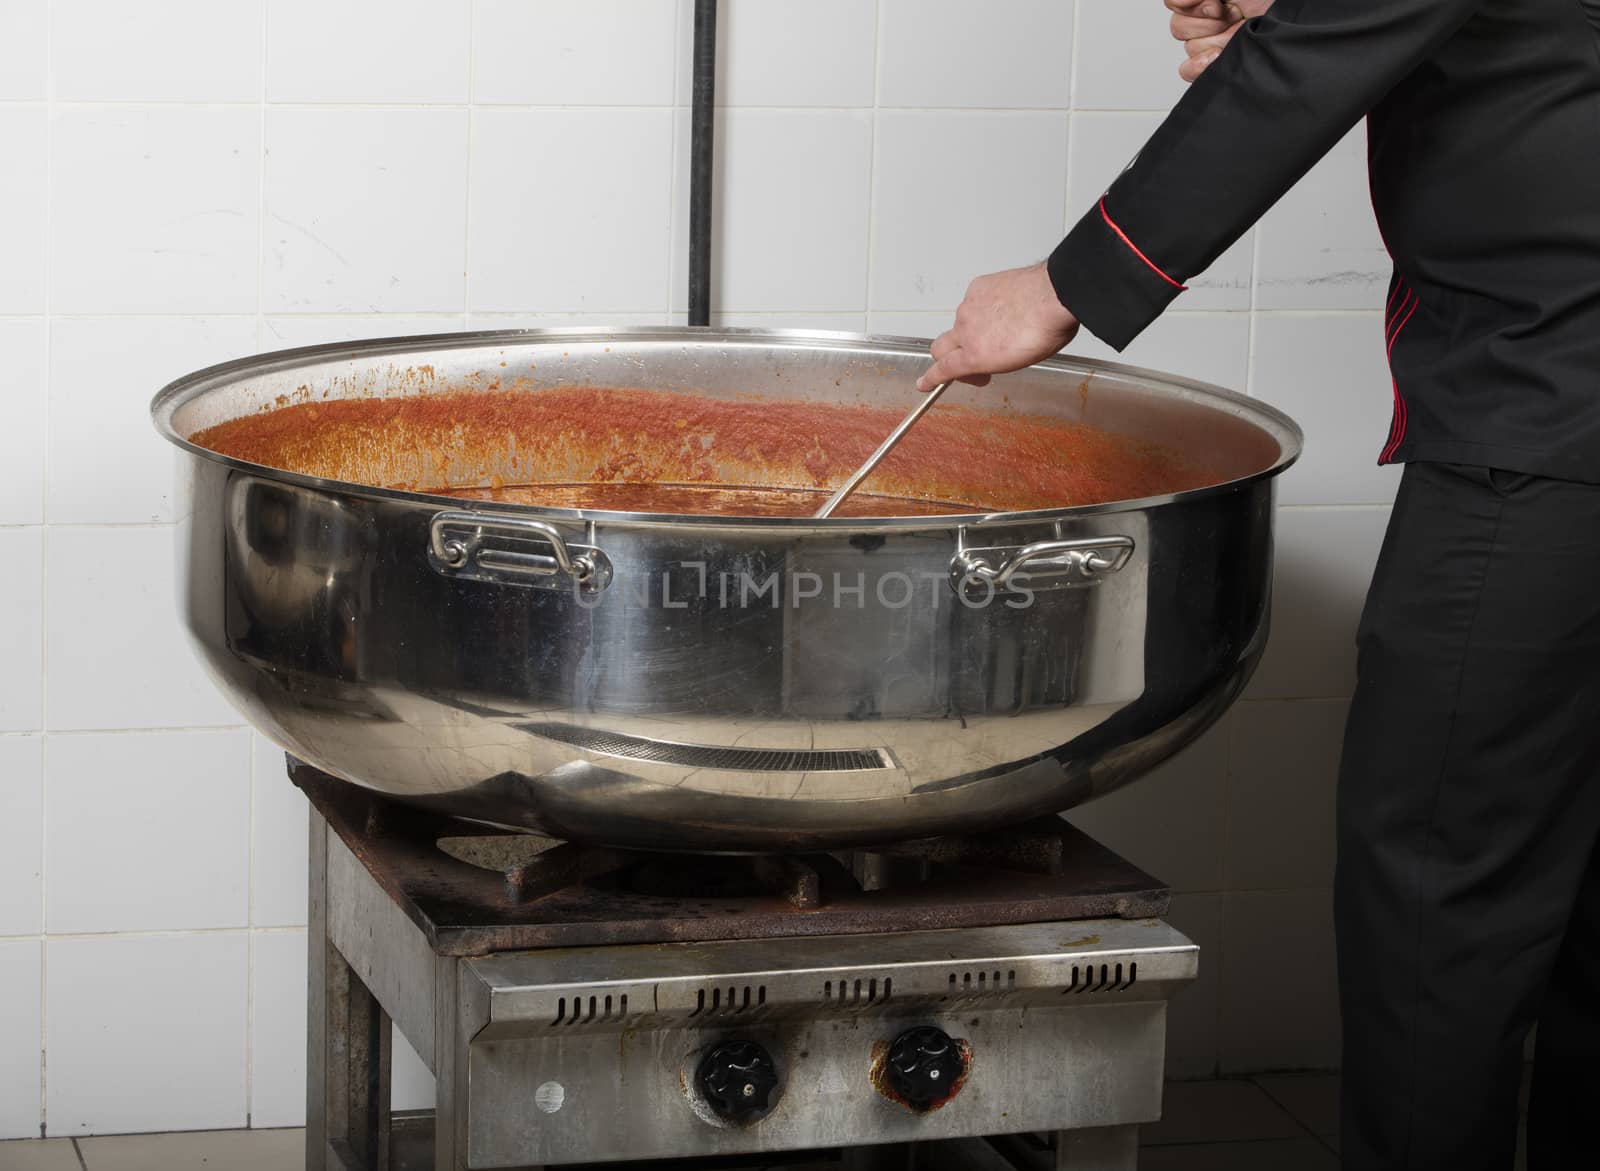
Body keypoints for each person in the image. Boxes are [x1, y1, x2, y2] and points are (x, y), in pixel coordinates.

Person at [918, 2, 1600, 1168]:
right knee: (1573, 884)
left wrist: (1064, 283)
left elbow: (1311, 62)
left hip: (1549, 425)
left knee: (1442, 881)